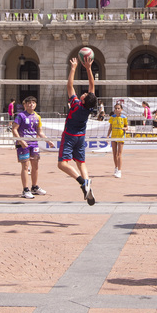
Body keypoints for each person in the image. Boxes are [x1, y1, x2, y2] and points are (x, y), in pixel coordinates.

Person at [57, 57, 98, 204]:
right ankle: (87, 184)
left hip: (69, 137)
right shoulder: (89, 108)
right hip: (81, 137)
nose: (85, 93)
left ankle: (82, 182)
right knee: (81, 163)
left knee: (62, 164)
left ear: (83, 100)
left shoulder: (76, 105)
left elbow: (70, 86)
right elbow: (92, 85)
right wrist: (88, 68)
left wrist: (73, 67)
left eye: (85, 95)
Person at [12, 96, 52, 198]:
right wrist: (20, 140)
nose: (31, 104)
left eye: (33, 102)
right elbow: (14, 129)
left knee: (35, 166)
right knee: (25, 166)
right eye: (29, 103)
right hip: (23, 144)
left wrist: (48, 140)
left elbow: (40, 132)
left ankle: (34, 187)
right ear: (24, 105)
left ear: (36, 104)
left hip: (34, 144)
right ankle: (25, 190)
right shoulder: (20, 116)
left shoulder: (37, 117)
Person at [107, 103, 128, 178]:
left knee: (119, 154)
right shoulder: (112, 117)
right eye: (115, 108)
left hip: (121, 136)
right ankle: (116, 168)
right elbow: (110, 128)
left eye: (118, 108)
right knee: (114, 154)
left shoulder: (124, 117)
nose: (117, 110)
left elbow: (126, 126)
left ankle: (119, 171)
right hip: (114, 136)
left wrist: (124, 129)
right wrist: (107, 136)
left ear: (121, 109)